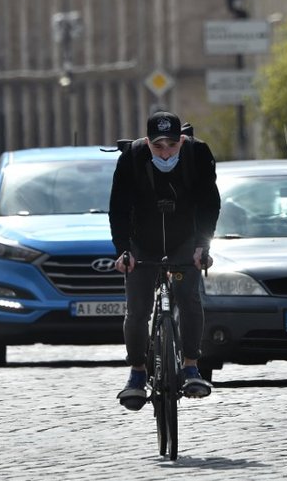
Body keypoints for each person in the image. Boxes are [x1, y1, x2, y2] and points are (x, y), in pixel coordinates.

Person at [109, 110, 221, 410]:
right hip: (141, 243)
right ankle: (136, 373)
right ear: (147, 143)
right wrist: (123, 251)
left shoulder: (197, 155)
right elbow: (118, 209)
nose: (165, 152)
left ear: (181, 140)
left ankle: (191, 367)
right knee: (137, 310)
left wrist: (202, 246)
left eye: (171, 145)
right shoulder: (132, 159)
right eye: (158, 146)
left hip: (185, 241)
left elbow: (209, 204)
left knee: (189, 299)